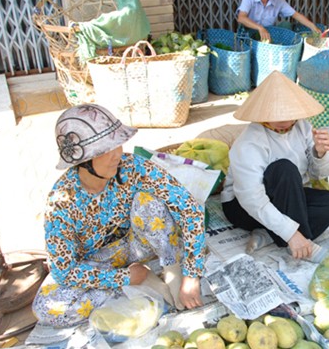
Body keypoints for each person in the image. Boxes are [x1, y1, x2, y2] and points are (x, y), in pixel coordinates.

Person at [32, 104, 206, 327]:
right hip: (97, 263)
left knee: (147, 202)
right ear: (83, 161)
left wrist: (191, 274)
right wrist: (123, 278)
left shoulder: (133, 166)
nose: (117, 155)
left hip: (138, 245)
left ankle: (170, 270)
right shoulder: (62, 201)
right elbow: (63, 271)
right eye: (105, 151)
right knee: (47, 309)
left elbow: (189, 208)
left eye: (118, 145)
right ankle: (140, 285)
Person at [221, 71, 329, 259]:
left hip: (287, 197)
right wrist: (292, 234)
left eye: (289, 113)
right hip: (242, 206)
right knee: (284, 168)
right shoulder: (249, 143)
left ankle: (270, 235)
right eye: (277, 113)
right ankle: (300, 242)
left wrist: (319, 152)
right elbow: (252, 198)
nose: (284, 119)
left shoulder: (302, 127)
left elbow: (319, 173)